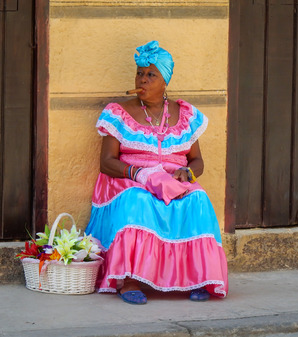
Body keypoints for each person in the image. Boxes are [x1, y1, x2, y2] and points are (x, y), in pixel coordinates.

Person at [84, 40, 229, 305]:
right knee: (138, 201)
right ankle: (128, 280)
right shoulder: (118, 112)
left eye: (151, 74)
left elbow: (197, 161)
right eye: (140, 73)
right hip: (129, 179)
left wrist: (187, 174)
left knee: (198, 199)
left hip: (174, 179)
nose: (143, 79)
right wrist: (138, 173)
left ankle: (200, 279)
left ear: (165, 81)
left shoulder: (185, 114)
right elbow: (106, 162)